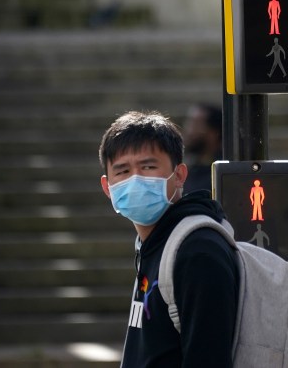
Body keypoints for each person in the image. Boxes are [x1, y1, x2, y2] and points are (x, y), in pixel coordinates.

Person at [99, 110, 238, 367]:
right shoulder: (152, 244)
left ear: (180, 175)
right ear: (108, 188)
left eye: (148, 167)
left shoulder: (197, 252)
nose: (135, 179)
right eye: (123, 171)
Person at [181, 103, 222, 195]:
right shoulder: (192, 168)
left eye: (194, 124)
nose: (188, 131)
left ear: (213, 133)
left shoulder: (222, 174)